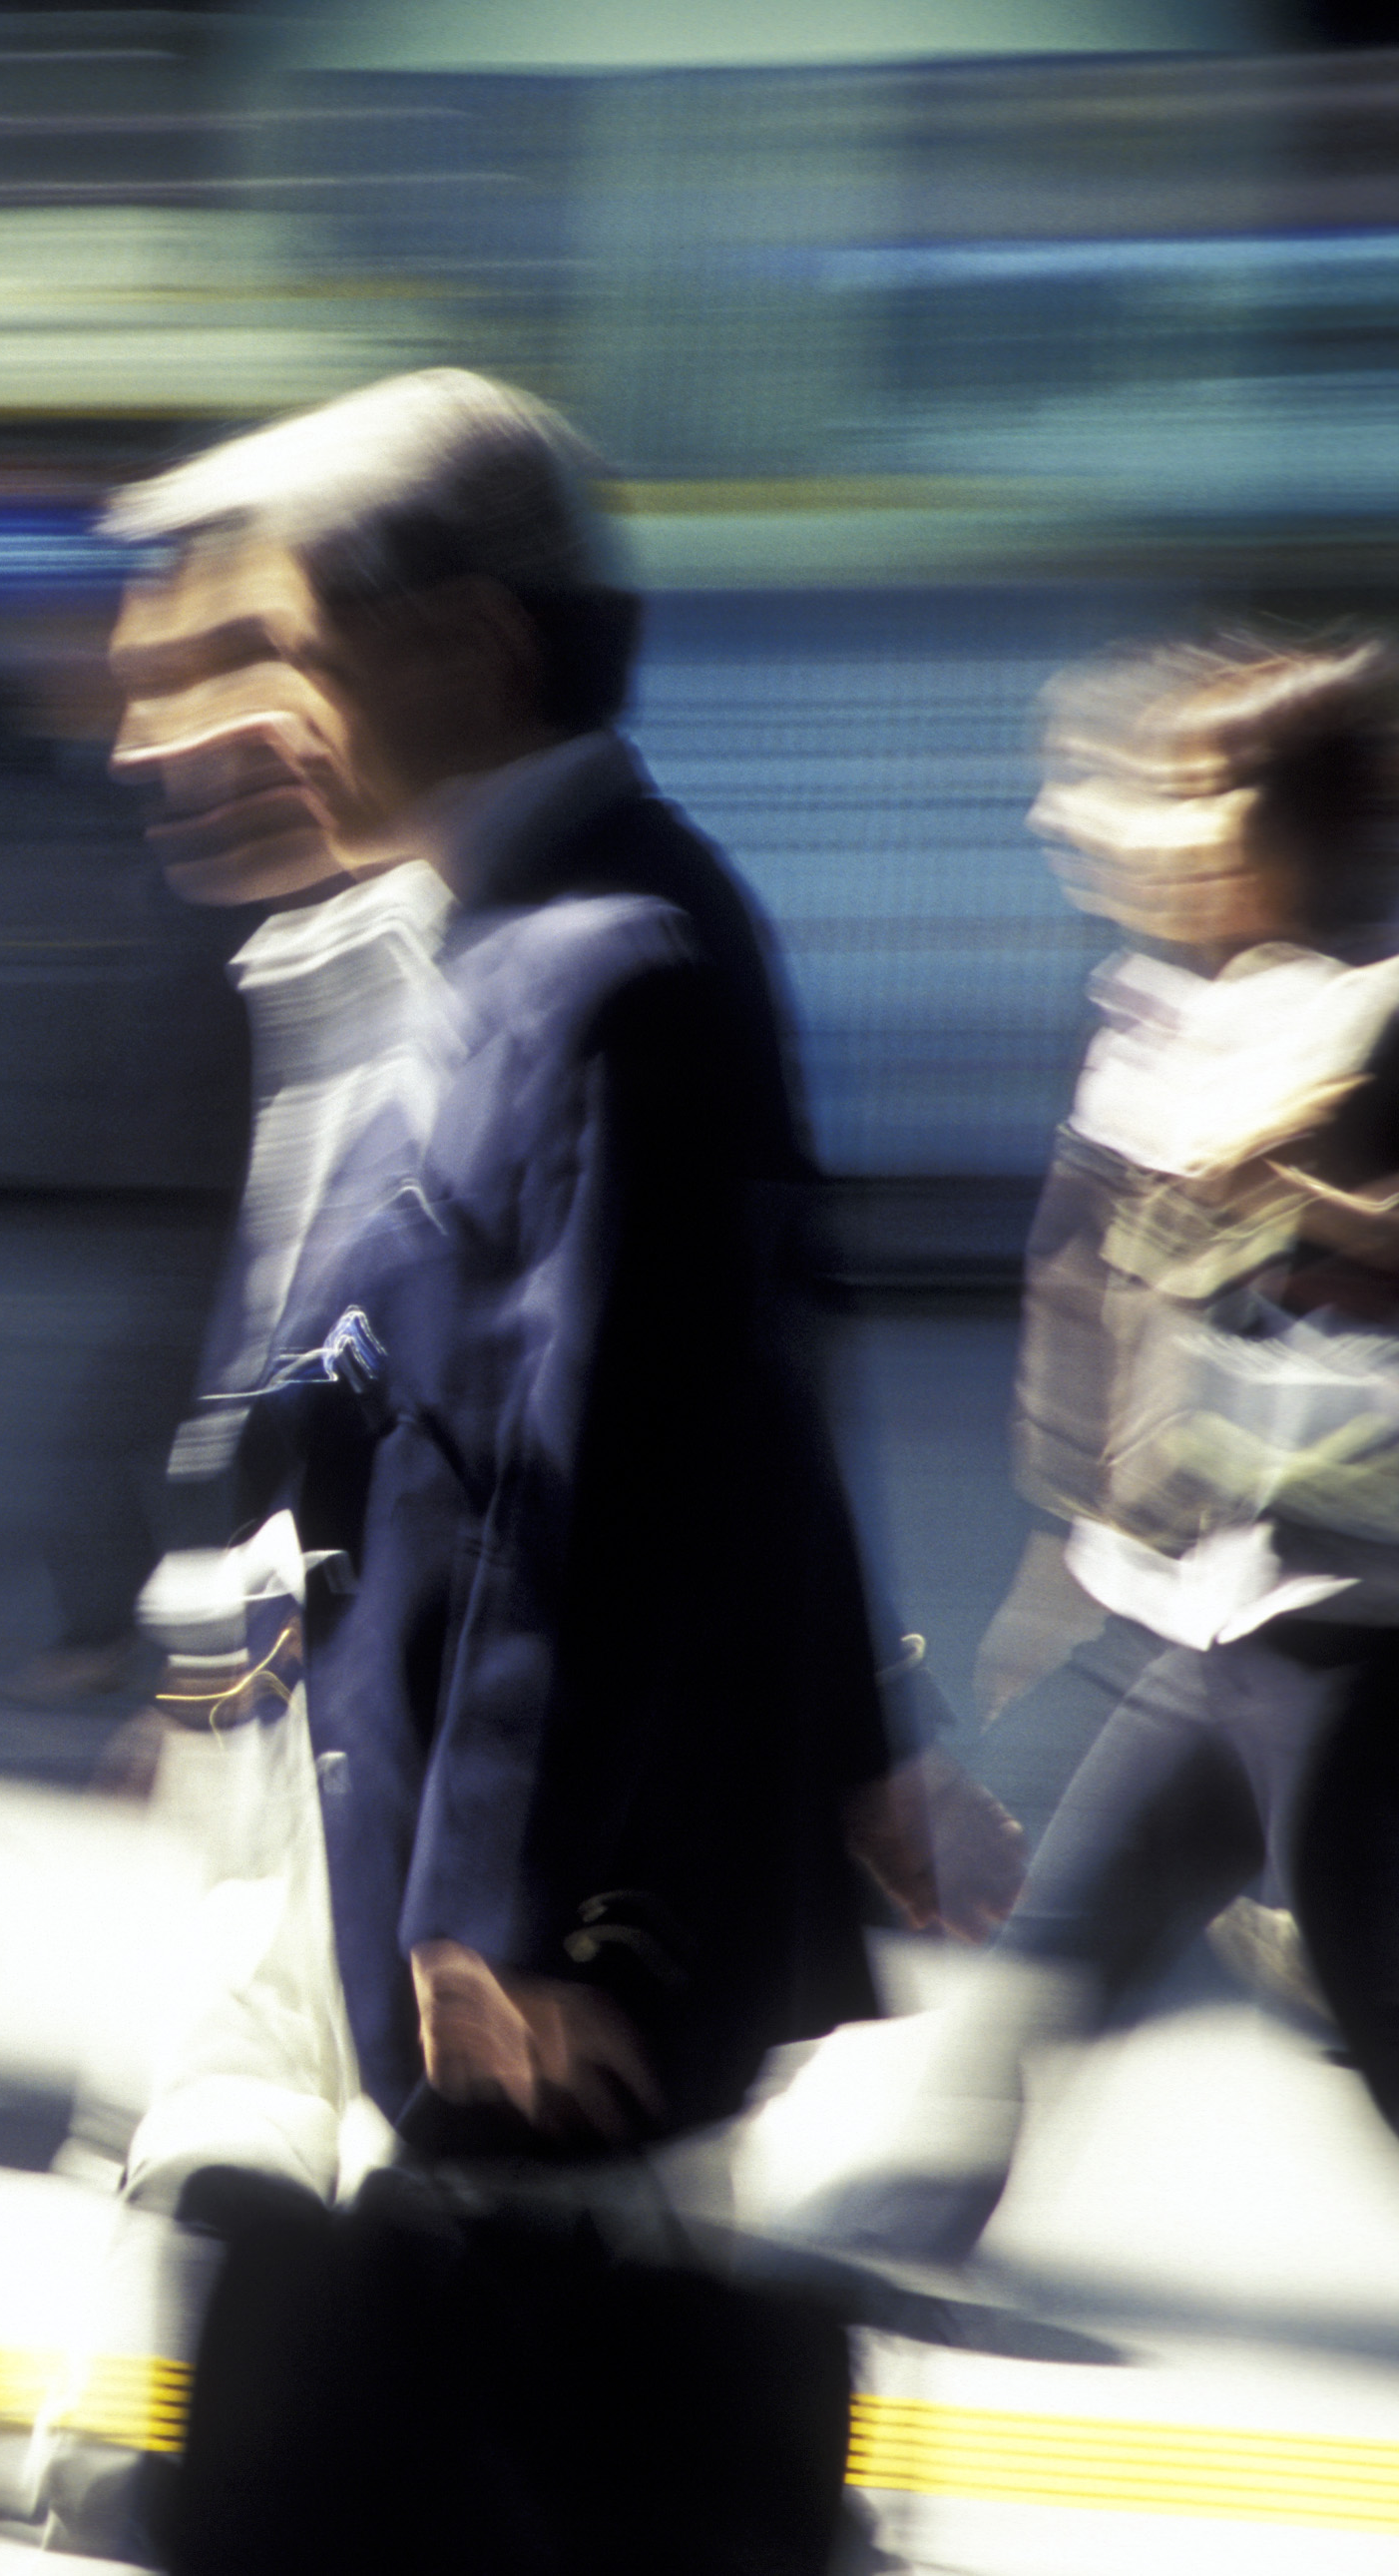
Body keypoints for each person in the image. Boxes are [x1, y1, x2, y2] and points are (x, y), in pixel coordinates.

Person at [32, 371, 1016, 2572]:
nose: (268, 713)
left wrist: (510, 1908)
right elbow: (662, 1400)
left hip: (554, 1928)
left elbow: (622, 1463)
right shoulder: (501, 926)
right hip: (449, 1866)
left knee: (512, 2431)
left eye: (298, 649)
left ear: (470, 647)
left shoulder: (613, 959)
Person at [806, 635, 1399, 2260]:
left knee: (1373, 1993)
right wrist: (1069, 1546)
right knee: (1065, 1937)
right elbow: (1103, 1309)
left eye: (1183, 792)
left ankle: (930, 2193)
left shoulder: (1373, 1001)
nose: (1117, 822)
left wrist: (1313, 1201)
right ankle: (928, 2198)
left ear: (1281, 820)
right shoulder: (1165, 1019)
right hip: (1205, 1613)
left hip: (1355, 1629)